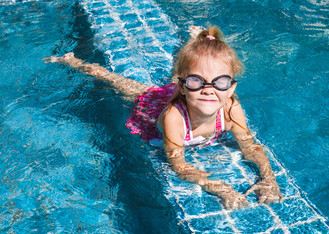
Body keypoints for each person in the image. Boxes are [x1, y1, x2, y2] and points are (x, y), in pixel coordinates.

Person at [43, 26, 283, 209]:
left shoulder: (231, 107)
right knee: (116, 82)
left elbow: (251, 147)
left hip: (180, 93)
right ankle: (73, 61)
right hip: (156, 104)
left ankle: (193, 40)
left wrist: (268, 179)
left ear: (231, 88)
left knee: (178, 75)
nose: (209, 89)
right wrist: (220, 188)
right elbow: (178, 165)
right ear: (185, 86)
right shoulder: (173, 117)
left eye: (220, 82)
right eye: (196, 81)